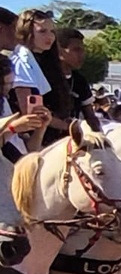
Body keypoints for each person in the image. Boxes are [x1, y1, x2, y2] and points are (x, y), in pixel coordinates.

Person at [9, 9, 72, 148]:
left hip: (52, 136)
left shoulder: (46, 61)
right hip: (31, 141)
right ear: (26, 32)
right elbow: (29, 112)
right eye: (42, 31)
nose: (49, 36)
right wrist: (67, 126)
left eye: (52, 31)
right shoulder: (21, 62)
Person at [0, 56, 51, 161]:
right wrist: (12, 129)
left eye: (11, 82)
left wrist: (41, 128)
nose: (9, 87)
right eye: (5, 83)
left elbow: (30, 152)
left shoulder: (4, 102)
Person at [57, 28, 102, 132]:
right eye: (76, 50)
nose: (82, 54)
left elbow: (90, 115)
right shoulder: (46, 78)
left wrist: (99, 136)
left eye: (82, 49)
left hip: (74, 139)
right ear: (59, 52)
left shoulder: (79, 80)